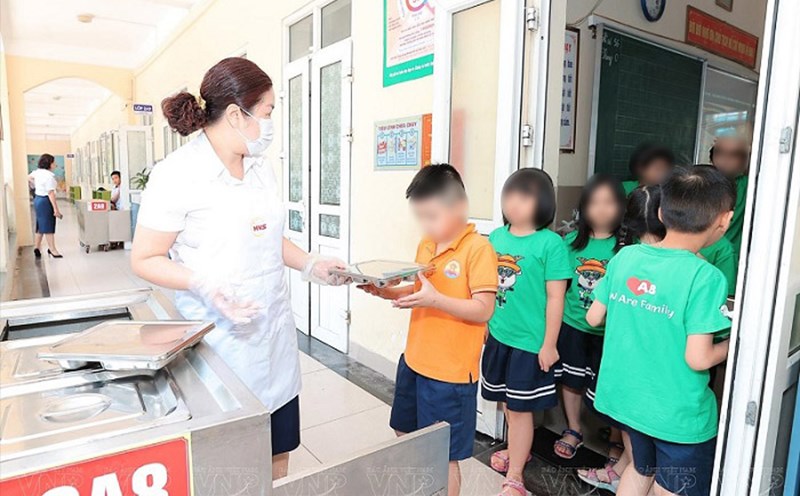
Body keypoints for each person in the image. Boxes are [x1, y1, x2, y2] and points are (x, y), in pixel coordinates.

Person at [131, 58, 348, 480]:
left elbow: (264, 235)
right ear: (236, 114)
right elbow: (144, 258)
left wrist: (310, 263)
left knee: (278, 453)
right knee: (228, 467)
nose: (270, 123)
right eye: (266, 113)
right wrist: (203, 283)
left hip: (273, 341)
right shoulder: (177, 175)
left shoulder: (259, 166)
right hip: (219, 345)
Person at [586, 167, 734, 496]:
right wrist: (735, 345)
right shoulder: (705, 277)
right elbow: (698, 358)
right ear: (724, 220)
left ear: (661, 212)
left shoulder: (625, 258)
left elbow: (593, 316)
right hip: (676, 415)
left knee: (640, 471)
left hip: (628, 401)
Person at [359, 164, 497, 496]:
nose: (425, 225)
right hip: (416, 361)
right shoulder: (426, 244)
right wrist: (387, 291)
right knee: (405, 432)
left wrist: (436, 300)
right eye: (420, 216)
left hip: (450, 375)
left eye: (432, 216)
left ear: (459, 207)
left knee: (443, 457)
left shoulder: (478, 250)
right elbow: (420, 290)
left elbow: (483, 309)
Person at [477, 168, 571, 496]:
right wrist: (486, 325)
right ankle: (519, 448)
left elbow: (556, 297)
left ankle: (515, 474)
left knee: (519, 410)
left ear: (542, 202)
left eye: (525, 196)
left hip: (530, 344)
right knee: (506, 402)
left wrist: (549, 344)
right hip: (499, 337)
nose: (514, 202)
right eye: (510, 194)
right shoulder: (497, 237)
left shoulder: (551, 244)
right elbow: (487, 286)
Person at [577, 184, 663, 493]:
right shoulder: (691, 266)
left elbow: (593, 317)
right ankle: (624, 471)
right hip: (657, 376)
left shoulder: (623, 258)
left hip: (621, 371)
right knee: (647, 454)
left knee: (637, 446)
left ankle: (622, 472)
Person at [555, 175, 627, 468]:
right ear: (583, 207)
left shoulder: (627, 248)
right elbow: (559, 288)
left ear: (621, 207)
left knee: (610, 387)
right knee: (571, 382)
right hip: (573, 326)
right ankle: (574, 428)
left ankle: (616, 439)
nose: (601, 209)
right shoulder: (570, 243)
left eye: (609, 202)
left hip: (611, 333)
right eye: (594, 202)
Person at [709, 135, 750, 258]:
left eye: (734, 155)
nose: (725, 160)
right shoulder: (701, 185)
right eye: (720, 153)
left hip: (728, 258)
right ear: (711, 159)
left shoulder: (747, 186)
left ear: (745, 161)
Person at [28, 153, 63, 258]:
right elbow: (51, 193)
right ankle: (52, 249)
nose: (55, 165)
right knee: (48, 225)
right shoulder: (49, 176)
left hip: (38, 199)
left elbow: (28, 177)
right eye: (53, 162)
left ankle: (37, 247)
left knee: (40, 224)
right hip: (45, 201)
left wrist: (36, 185)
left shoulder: (37, 172)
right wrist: (56, 209)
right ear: (49, 163)